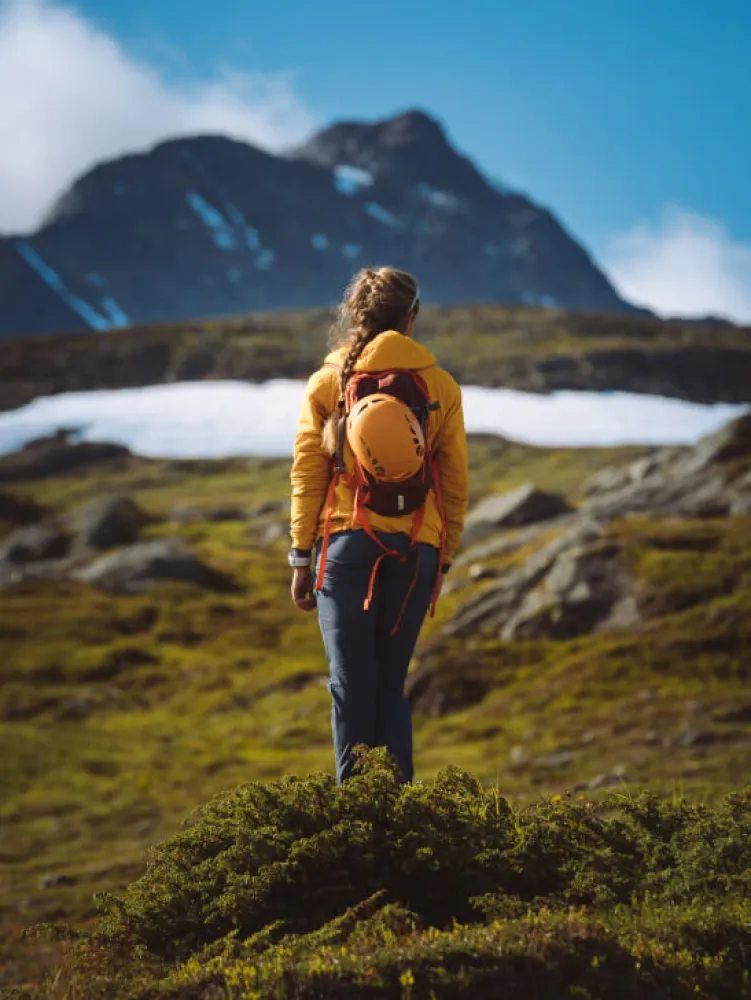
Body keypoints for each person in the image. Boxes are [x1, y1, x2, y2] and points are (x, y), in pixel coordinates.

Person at [289, 266, 469, 784]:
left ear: (355, 315)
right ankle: (400, 816)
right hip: (418, 550)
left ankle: (357, 820)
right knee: (391, 686)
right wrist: (444, 553)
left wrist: (302, 556)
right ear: (411, 318)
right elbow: (454, 481)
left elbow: (308, 472)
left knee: (351, 687)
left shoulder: (328, 382)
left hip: (345, 545)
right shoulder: (440, 386)